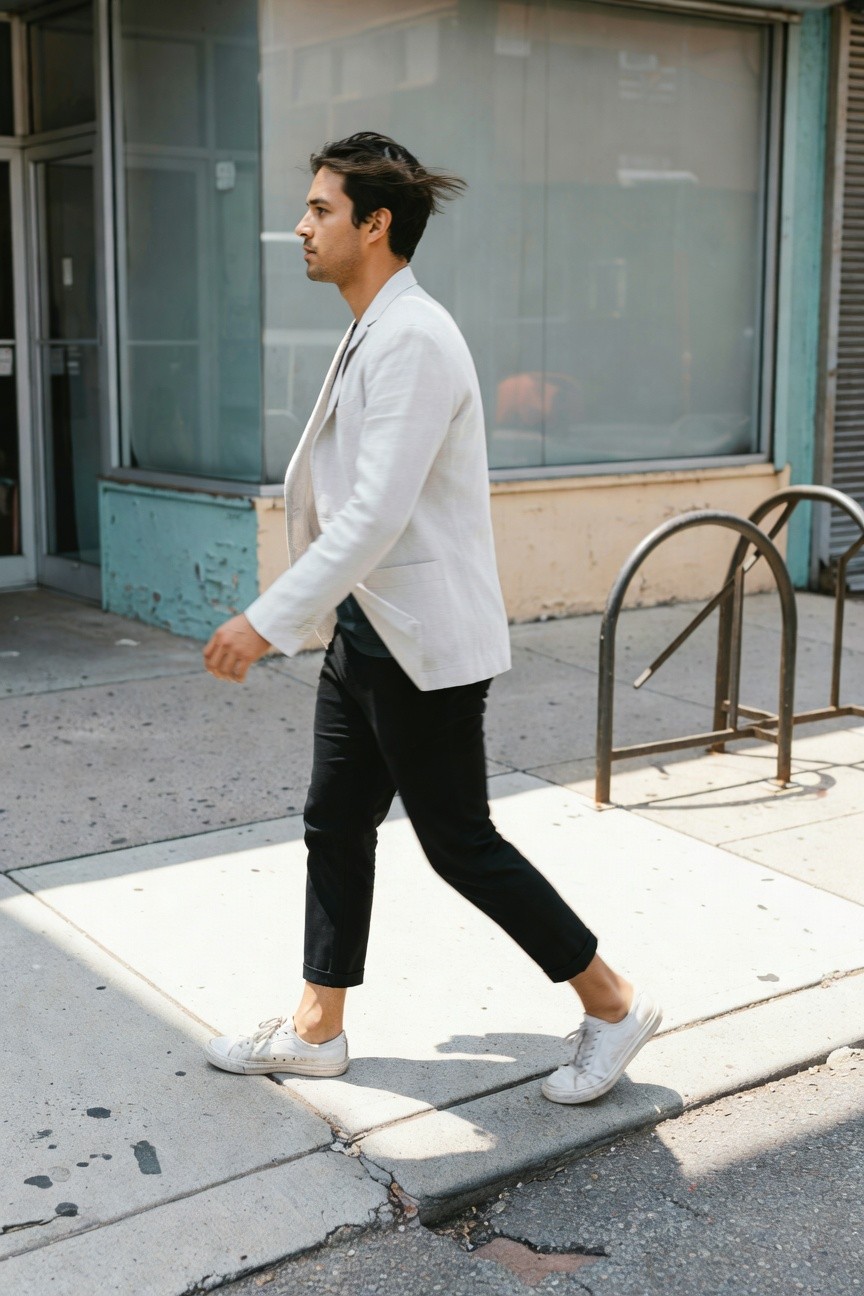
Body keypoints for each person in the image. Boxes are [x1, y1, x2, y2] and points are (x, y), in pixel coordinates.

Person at [201, 132, 661, 1104]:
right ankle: (318, 1025)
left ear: (376, 224)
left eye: (321, 209)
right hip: (371, 630)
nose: (302, 225)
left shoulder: (413, 337)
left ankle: (613, 1006)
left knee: (459, 843)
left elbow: (374, 512)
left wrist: (264, 620)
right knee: (335, 820)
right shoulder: (377, 325)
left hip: (423, 645)